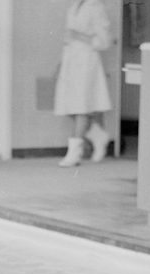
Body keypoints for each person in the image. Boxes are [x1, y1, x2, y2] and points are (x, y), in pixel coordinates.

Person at [53, 0, 113, 167]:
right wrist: (60, 64)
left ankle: (74, 153)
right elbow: (68, 38)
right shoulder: (73, 7)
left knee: (81, 108)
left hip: (87, 62)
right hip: (70, 60)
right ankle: (98, 135)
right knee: (69, 107)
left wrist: (80, 36)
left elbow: (105, 41)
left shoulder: (97, 7)